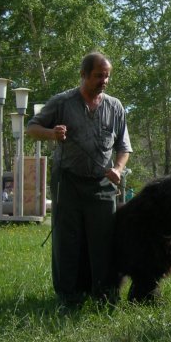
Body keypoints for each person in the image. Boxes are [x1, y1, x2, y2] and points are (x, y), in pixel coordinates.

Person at [26, 52, 132, 306]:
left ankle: (105, 295)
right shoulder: (62, 102)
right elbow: (31, 128)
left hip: (102, 184)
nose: (104, 81)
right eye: (98, 76)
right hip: (68, 181)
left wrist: (118, 169)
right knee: (68, 240)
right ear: (83, 75)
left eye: (107, 76)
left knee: (104, 240)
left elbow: (124, 147)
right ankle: (69, 296)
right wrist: (52, 133)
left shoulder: (115, 107)